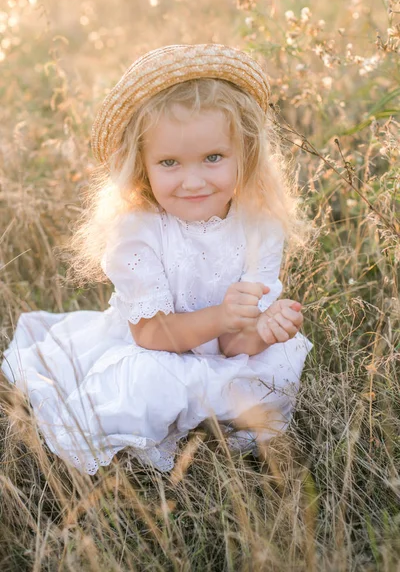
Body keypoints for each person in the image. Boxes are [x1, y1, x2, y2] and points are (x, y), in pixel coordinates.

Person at [1, 44, 313, 475]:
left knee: (266, 374)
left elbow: (233, 344)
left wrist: (262, 330)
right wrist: (223, 315)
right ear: (141, 166)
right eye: (169, 162)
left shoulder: (260, 225)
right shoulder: (138, 231)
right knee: (147, 386)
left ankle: (206, 433)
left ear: (247, 152)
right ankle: (139, 459)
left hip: (218, 349)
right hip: (154, 346)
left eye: (213, 158)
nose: (193, 180)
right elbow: (150, 333)